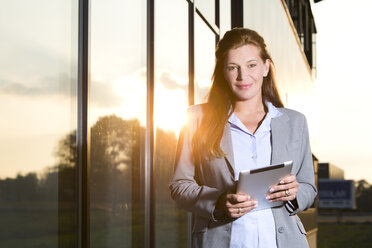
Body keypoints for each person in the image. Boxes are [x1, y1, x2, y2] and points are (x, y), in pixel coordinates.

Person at [169, 28, 317, 248]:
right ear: (223, 71)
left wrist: (294, 193)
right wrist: (219, 201)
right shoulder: (197, 119)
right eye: (233, 67)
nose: (242, 76)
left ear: (265, 67)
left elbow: (308, 188)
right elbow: (180, 185)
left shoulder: (295, 122)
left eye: (251, 65)